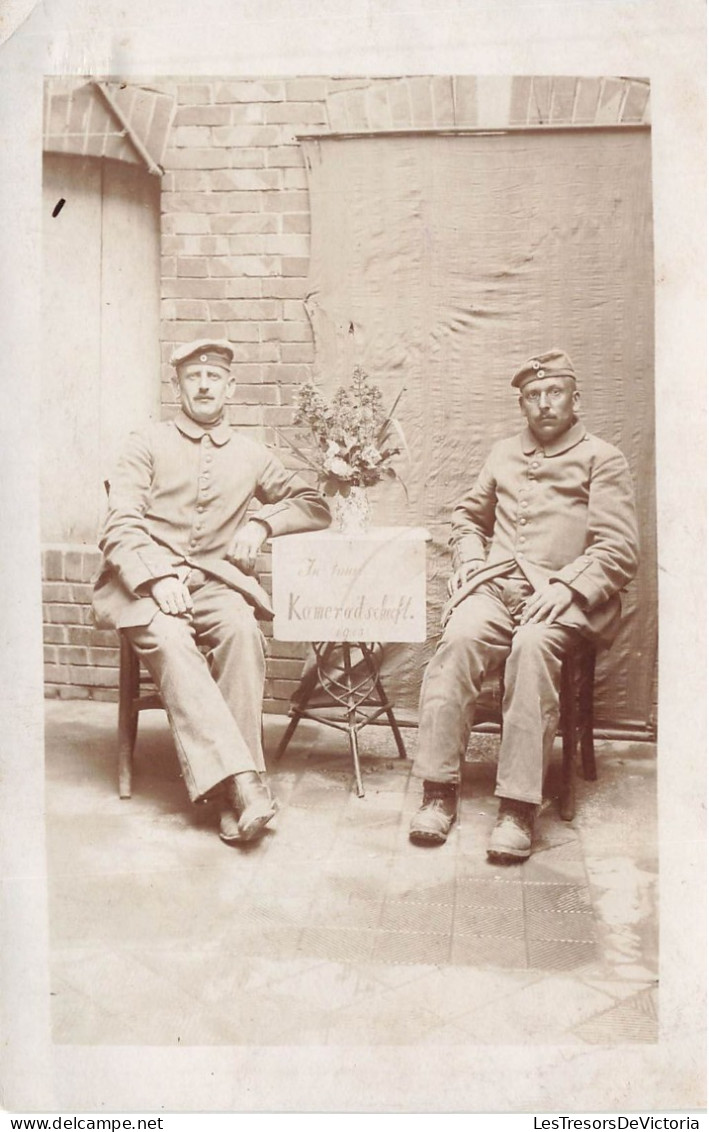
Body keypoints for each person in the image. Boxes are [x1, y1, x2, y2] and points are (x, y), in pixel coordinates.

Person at [93, 338, 331, 845]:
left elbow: (313, 504)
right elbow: (120, 522)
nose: (204, 385)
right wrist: (155, 576)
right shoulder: (146, 443)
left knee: (243, 631)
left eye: (214, 377)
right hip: (145, 584)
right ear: (178, 385)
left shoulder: (251, 454)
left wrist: (263, 524)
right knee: (173, 643)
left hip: (214, 583)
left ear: (230, 387)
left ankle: (232, 795)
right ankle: (243, 787)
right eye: (193, 377)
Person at [409, 348, 639, 861]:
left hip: (563, 598)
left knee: (532, 650)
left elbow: (620, 549)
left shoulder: (603, 458)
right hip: (498, 587)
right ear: (522, 406)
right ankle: (437, 793)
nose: (544, 404)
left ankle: (517, 808)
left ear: (575, 399)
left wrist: (567, 587)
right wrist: (469, 559)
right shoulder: (503, 454)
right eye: (532, 397)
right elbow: (468, 517)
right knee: (458, 640)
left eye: (554, 393)